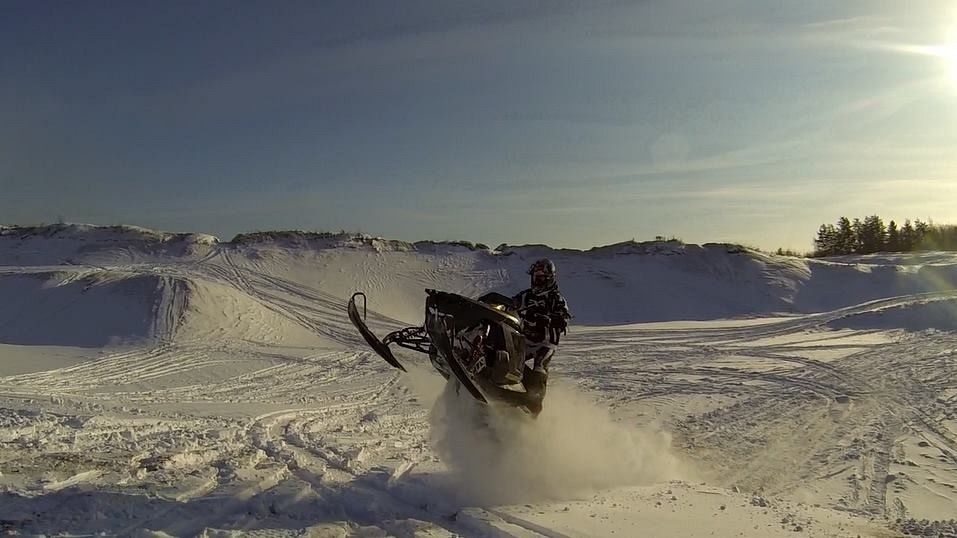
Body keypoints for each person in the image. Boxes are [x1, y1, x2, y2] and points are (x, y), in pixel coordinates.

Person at [511, 258, 571, 413]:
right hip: (526, 338)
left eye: (541, 277)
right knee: (510, 358)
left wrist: (549, 319)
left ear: (549, 278)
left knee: (539, 368)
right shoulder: (527, 296)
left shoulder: (556, 298)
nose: (537, 281)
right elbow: (511, 304)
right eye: (535, 277)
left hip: (546, 343)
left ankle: (534, 403)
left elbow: (564, 318)